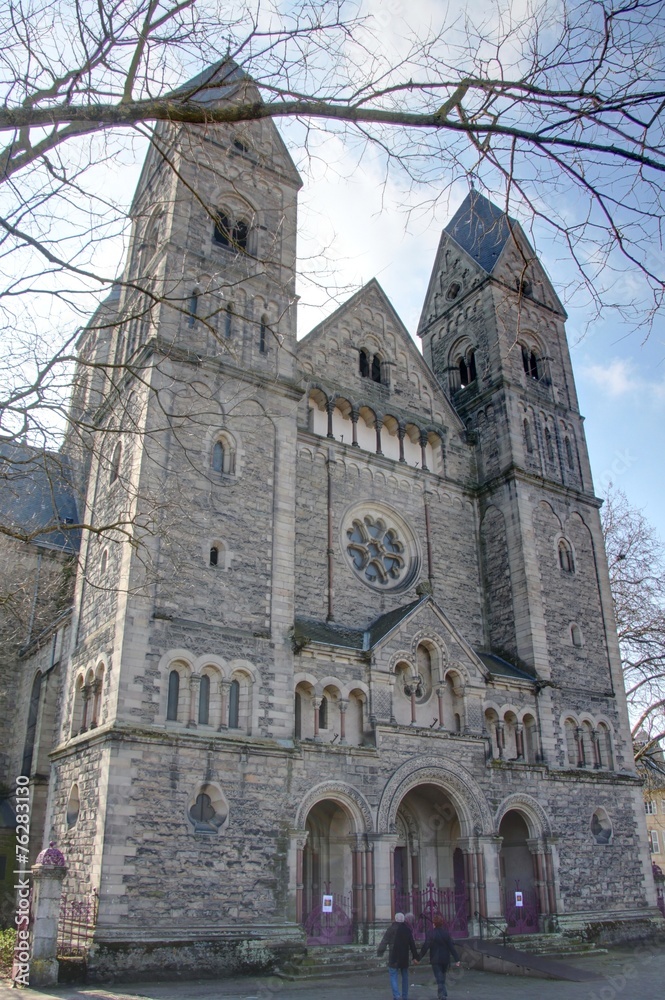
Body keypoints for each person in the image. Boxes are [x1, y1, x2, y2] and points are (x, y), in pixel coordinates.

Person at [377, 911, 419, 1000]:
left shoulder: (391, 929)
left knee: (393, 976)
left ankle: (396, 996)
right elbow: (412, 944)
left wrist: (380, 951)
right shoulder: (407, 929)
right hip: (404, 956)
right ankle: (405, 996)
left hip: (394, 956)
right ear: (403, 920)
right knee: (405, 976)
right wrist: (415, 956)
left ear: (395, 919)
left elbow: (384, 941)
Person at [418, 913, 461, 1000]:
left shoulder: (430, 933)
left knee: (439, 977)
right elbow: (451, 947)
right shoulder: (446, 933)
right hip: (445, 958)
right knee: (442, 977)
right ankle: (442, 993)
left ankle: (442, 995)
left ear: (434, 923)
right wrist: (457, 959)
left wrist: (418, 958)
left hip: (435, 959)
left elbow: (425, 947)